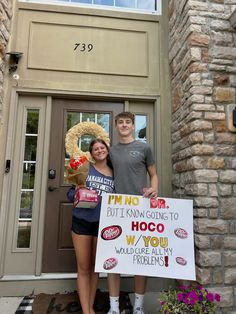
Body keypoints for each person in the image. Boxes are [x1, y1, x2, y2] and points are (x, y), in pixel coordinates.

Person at [107, 112, 158, 314]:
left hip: (140, 208)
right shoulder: (110, 151)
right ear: (116, 126)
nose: (124, 125)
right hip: (117, 209)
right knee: (113, 257)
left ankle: (138, 307)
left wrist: (154, 189)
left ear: (133, 125)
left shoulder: (144, 147)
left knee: (140, 258)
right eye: (121, 122)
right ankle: (113, 307)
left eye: (128, 122)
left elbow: (153, 175)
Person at [67, 139, 114, 314]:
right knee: (84, 267)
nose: (100, 151)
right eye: (96, 149)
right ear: (92, 153)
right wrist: (78, 192)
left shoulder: (115, 173)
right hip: (82, 221)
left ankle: (91, 306)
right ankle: (86, 310)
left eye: (102, 148)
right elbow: (71, 192)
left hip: (103, 224)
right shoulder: (86, 168)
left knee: (96, 268)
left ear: (107, 150)